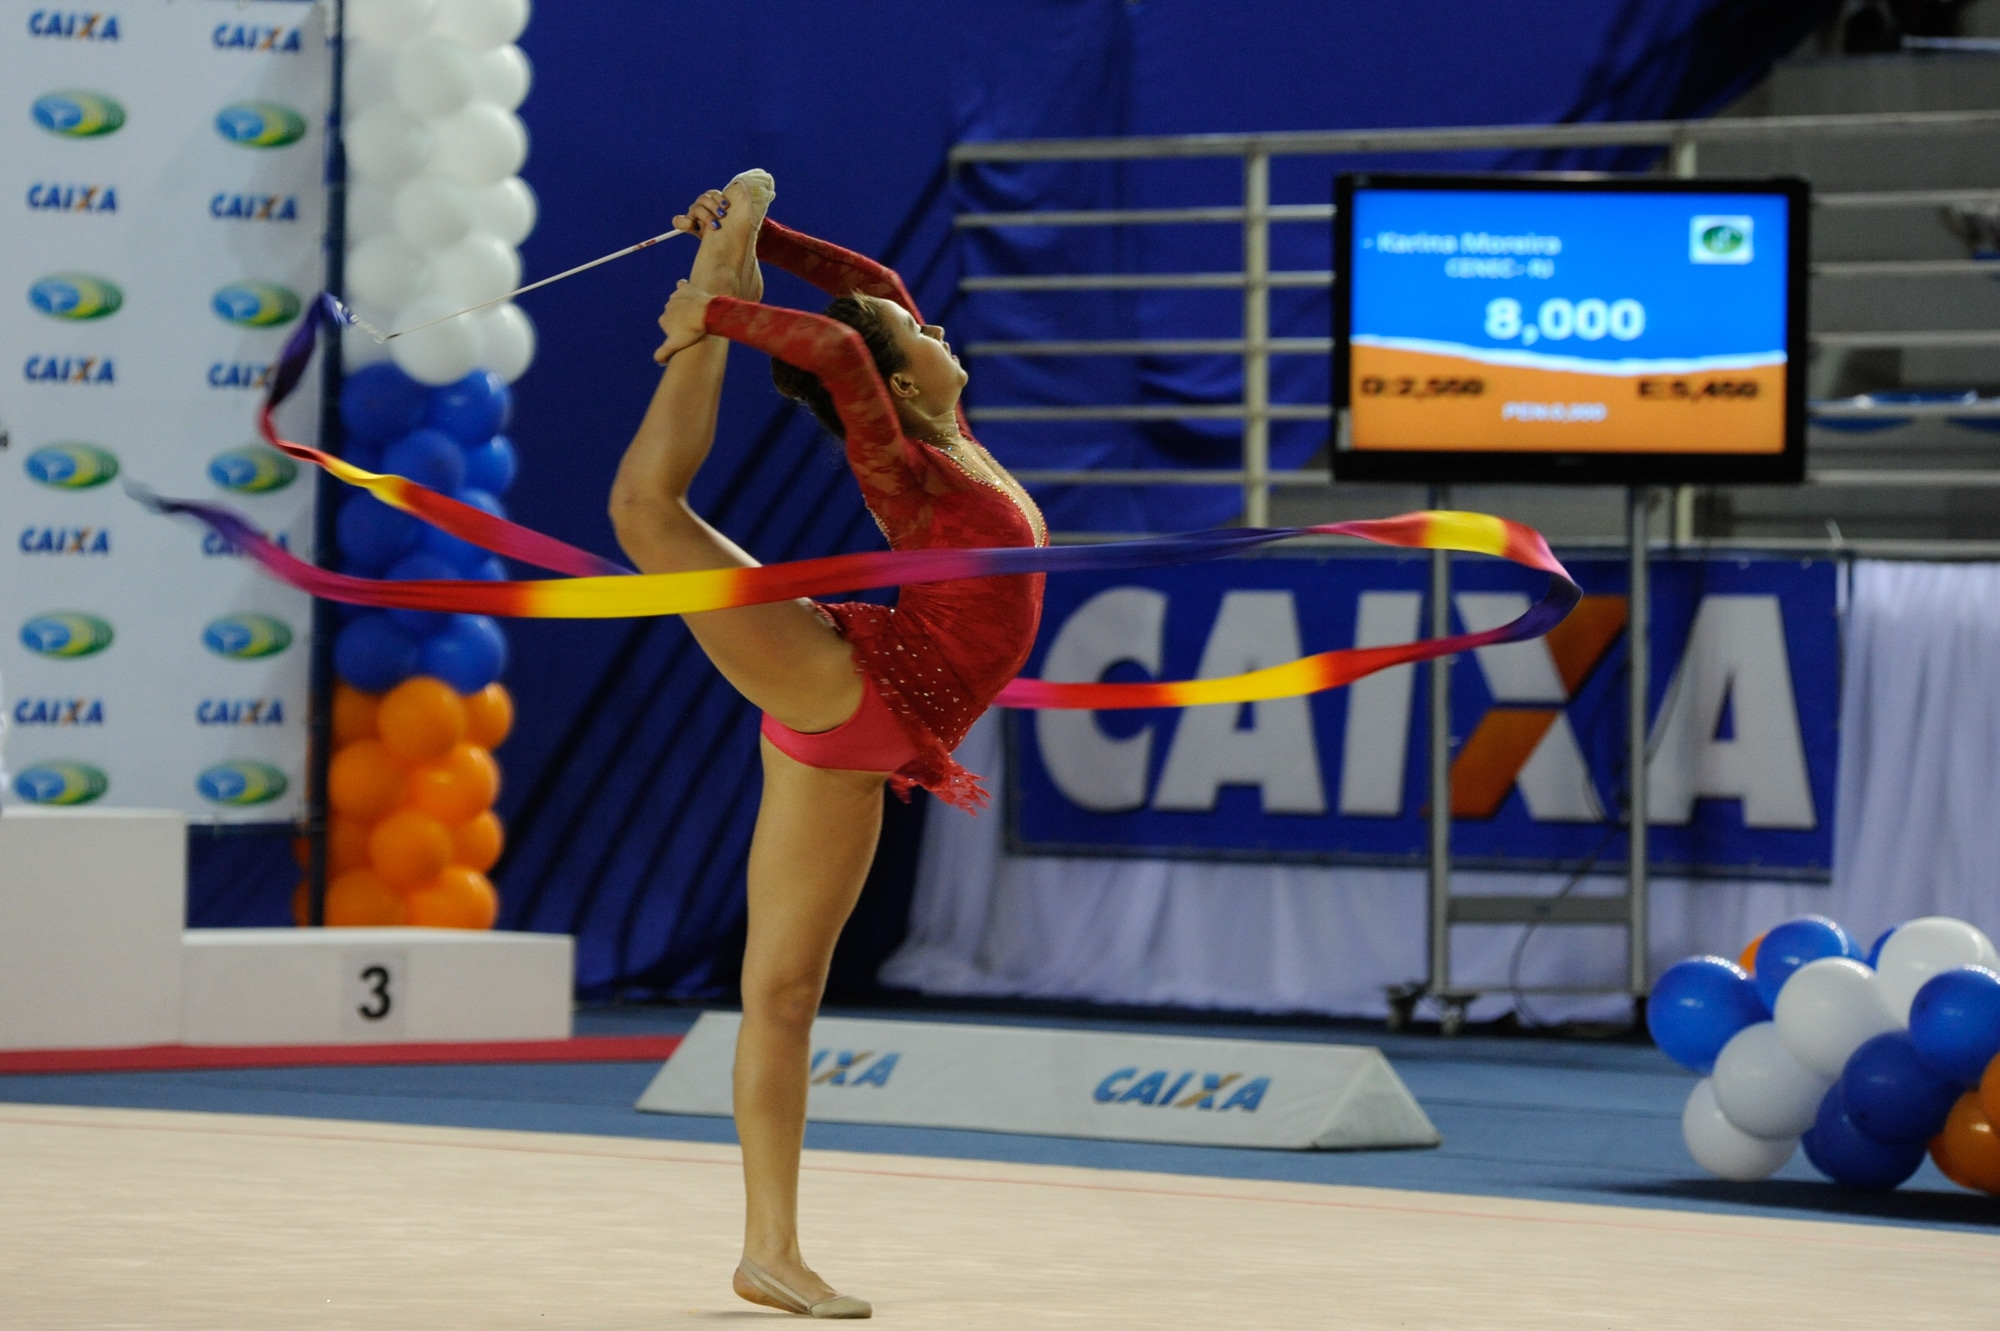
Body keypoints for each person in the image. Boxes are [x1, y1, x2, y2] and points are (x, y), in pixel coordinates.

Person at [609, 171, 1045, 1319]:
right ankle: (704, 295)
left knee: (785, 990)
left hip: (870, 735)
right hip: (856, 681)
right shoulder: (900, 461)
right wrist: (718, 305)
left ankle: (769, 1251)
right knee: (649, 516)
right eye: (922, 336)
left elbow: (872, 294)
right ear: (905, 379)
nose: (931, 322)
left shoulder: (947, 423)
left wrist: (764, 229)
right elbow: (848, 356)